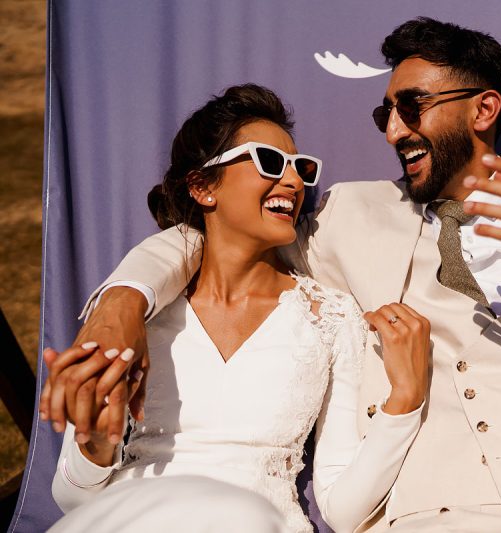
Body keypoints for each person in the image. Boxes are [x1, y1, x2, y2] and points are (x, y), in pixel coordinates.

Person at [41, 18, 501, 533]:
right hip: (434, 513)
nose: (391, 129)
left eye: (411, 106)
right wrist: (123, 300)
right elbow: (211, 237)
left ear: (485, 108)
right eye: (384, 110)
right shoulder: (339, 217)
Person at [41, 84, 430, 533]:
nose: (293, 181)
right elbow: (72, 499)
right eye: (269, 161)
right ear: (203, 186)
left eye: (299, 167)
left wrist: (403, 402)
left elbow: (342, 510)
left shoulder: (331, 318)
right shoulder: (139, 314)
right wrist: (92, 442)